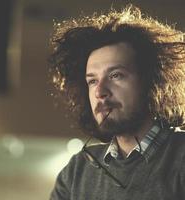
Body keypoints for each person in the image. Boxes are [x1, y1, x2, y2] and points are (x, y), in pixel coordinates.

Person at [49, 4, 185, 200]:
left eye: (115, 75)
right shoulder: (77, 172)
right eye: (92, 81)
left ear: (153, 81)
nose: (99, 92)